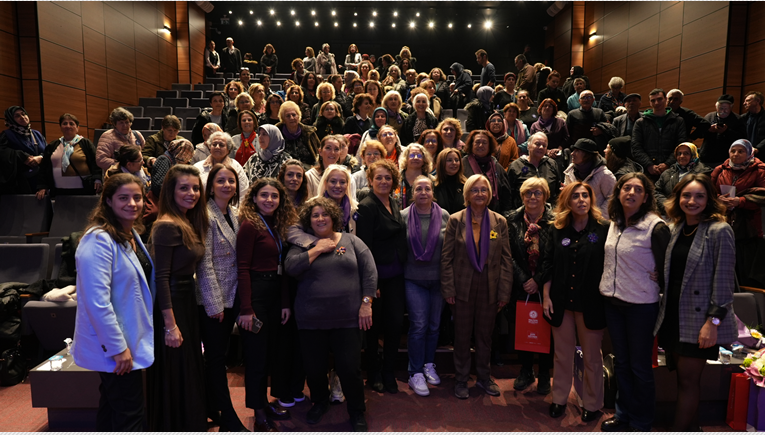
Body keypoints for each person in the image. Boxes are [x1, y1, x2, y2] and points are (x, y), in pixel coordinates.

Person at [71, 173, 154, 431]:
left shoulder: (129, 233)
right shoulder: (98, 239)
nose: (132, 203)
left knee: (112, 407)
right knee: (130, 414)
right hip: (115, 346)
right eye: (123, 198)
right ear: (107, 201)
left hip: (128, 338)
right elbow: (97, 302)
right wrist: (118, 348)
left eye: (137, 197)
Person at [284, 197, 375, 431]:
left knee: (350, 368)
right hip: (311, 319)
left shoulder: (352, 241)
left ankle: (356, 410)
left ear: (334, 218)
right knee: (314, 369)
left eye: (325, 214)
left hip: (347, 319)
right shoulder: (302, 245)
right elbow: (291, 268)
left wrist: (366, 303)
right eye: (315, 215)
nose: (321, 218)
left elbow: (370, 273)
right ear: (309, 221)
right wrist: (316, 249)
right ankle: (320, 402)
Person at [655, 173, 737, 431]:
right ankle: (693, 429)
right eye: (686, 195)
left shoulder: (719, 230)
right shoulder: (675, 227)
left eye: (700, 196)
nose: (692, 201)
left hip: (700, 319)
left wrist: (712, 322)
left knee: (689, 382)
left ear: (710, 199)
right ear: (678, 198)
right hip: (673, 315)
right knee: (682, 380)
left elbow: (723, 282)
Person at [599, 173, 670, 433]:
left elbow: (669, 266)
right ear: (618, 192)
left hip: (641, 305)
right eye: (626, 188)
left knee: (640, 366)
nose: (630, 193)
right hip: (613, 302)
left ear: (646, 197)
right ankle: (622, 415)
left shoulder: (655, 226)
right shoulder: (615, 223)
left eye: (637, 189)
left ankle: (641, 422)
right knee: (621, 363)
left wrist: (658, 277)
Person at [146, 165, 208, 431]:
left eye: (195, 188)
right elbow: (161, 279)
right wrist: (170, 325)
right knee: (176, 368)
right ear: (170, 191)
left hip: (185, 301)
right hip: (171, 304)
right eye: (184, 188)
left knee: (186, 367)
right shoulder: (166, 225)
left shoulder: (186, 221)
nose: (191, 193)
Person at [540, 181, 609, 420]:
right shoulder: (557, 229)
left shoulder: (604, 229)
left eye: (585, 196)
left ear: (591, 200)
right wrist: (546, 297)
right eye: (576, 196)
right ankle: (559, 399)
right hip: (561, 301)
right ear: (567, 202)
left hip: (591, 304)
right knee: (562, 355)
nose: (581, 200)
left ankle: (592, 404)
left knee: (591, 357)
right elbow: (547, 265)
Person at [441, 174, 513, 399]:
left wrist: (504, 292)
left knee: (484, 336)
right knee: (462, 336)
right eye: (475, 190)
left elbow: (505, 260)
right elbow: (446, 258)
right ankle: (461, 379)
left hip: (490, 288)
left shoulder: (500, 221)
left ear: (489, 194)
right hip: (462, 287)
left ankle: (483, 377)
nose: (479, 194)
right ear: (467, 195)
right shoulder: (455, 219)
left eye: (483, 190)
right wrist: (449, 289)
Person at [236, 178, 296, 431]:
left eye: (274, 196)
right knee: (257, 357)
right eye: (264, 195)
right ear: (254, 198)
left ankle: (265, 401)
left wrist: (284, 303)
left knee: (272, 353)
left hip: (275, 293)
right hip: (256, 295)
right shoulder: (250, 225)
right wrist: (246, 309)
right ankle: (258, 409)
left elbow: (281, 267)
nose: (269, 200)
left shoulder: (278, 224)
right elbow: (243, 269)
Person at [195, 163, 247, 432]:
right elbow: (204, 265)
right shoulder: (205, 214)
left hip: (233, 295)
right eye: (221, 181)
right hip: (215, 300)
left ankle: (210, 406)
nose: (227, 185)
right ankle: (226, 416)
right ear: (211, 185)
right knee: (215, 358)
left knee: (219, 357)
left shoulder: (234, 213)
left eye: (231, 181)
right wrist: (214, 304)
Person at [355, 159, 408, 394]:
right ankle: (374, 373)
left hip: (396, 275)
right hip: (377, 278)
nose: (384, 181)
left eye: (388, 178)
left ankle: (389, 371)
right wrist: (370, 282)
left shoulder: (393, 202)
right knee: (374, 328)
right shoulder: (367, 206)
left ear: (394, 181)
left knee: (395, 324)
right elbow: (364, 247)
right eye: (379, 177)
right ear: (370, 180)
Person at [400, 176, 450, 396]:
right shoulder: (402, 217)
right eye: (418, 189)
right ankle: (415, 372)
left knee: (434, 325)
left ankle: (429, 363)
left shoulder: (445, 216)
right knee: (419, 326)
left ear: (432, 192)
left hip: (439, 279)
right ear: (412, 193)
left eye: (427, 188)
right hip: (413, 278)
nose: (423, 192)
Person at [505, 177, 554, 395]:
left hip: (547, 286)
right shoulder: (512, 220)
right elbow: (508, 254)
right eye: (528, 193)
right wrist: (525, 279)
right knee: (522, 327)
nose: (532, 197)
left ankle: (544, 373)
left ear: (545, 195)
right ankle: (526, 370)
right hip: (520, 285)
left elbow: (554, 257)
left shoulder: (556, 221)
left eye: (537, 193)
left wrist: (538, 280)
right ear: (522, 196)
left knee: (546, 330)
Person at [710, 139, 765, 287]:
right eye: (733, 151)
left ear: (749, 153)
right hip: (725, 222)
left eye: (741, 151)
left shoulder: (759, 169)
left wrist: (740, 201)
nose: (736, 154)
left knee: (746, 272)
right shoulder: (719, 170)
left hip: (749, 228)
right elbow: (709, 194)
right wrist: (718, 200)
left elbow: (762, 196)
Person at [36, 113, 102, 198]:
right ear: (60, 127)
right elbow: (44, 167)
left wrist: (97, 179)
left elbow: (95, 162)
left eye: (71, 123)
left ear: (77, 128)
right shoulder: (53, 145)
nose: (68, 126)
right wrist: (42, 186)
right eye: (64, 123)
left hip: (83, 190)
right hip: (59, 191)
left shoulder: (85, 143)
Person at [631, 88, 688, 180]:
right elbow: (636, 147)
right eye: (653, 100)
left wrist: (668, 164)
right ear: (650, 103)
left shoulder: (678, 121)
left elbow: (680, 145)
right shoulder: (640, 122)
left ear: (665, 99)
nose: (656, 103)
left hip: (672, 169)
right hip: (647, 171)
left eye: (659, 99)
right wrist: (649, 165)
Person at [507, 132, 563, 209]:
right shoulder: (515, 166)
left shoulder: (552, 164)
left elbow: (558, 192)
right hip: (523, 214)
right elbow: (508, 195)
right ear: (528, 146)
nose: (541, 147)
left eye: (544, 145)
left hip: (549, 215)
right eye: (537, 144)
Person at [563, 138, 616, 217]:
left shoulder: (605, 175)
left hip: (597, 221)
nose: (572, 154)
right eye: (573, 150)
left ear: (587, 155)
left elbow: (612, 199)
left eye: (577, 151)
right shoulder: (570, 171)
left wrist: (597, 217)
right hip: (575, 219)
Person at [462, 130, 512, 213]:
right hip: (468, 215)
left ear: (490, 146)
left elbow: (506, 196)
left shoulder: (497, 166)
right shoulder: (462, 165)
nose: (481, 145)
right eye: (477, 142)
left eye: (484, 142)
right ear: (471, 144)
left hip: (495, 216)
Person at [655, 143, 712, 213]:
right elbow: (656, 191)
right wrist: (666, 204)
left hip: (695, 212)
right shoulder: (668, 173)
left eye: (686, 153)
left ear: (693, 155)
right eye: (679, 153)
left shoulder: (704, 173)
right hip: (669, 213)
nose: (681, 156)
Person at [194, 131, 249, 199]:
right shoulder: (198, 167)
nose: (217, 147)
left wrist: (232, 209)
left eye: (221, 145)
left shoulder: (236, 166)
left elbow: (243, 193)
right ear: (210, 148)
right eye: (214, 144)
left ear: (228, 149)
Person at [699, 94, 746, 168]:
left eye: (726, 108)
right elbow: (700, 134)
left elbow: (742, 138)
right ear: (716, 107)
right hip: (706, 157)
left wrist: (726, 131)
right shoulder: (709, 116)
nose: (723, 111)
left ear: (731, 108)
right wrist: (709, 130)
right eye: (721, 108)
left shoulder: (737, 119)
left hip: (725, 159)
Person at [277, 101, 320, 170]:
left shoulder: (310, 132)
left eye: (294, 115)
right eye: (288, 116)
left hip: (309, 170)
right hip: (285, 171)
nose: (291, 118)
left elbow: (318, 153)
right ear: (283, 119)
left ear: (298, 116)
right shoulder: (277, 134)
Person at [397, 143, 433, 210]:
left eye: (419, 156)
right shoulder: (396, 180)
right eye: (412, 155)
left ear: (424, 160)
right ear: (406, 158)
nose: (416, 158)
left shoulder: (432, 181)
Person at [434, 148, 467, 215]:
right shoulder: (433, 186)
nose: (454, 163)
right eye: (449, 160)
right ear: (441, 163)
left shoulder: (466, 185)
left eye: (457, 160)